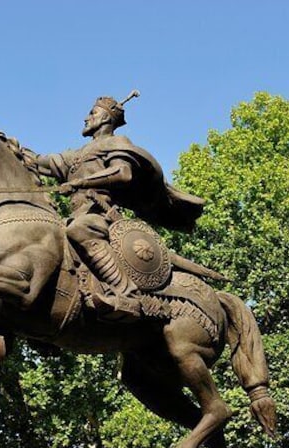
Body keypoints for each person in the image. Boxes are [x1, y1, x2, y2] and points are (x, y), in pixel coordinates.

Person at [36, 92, 205, 320]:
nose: (86, 118)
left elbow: (123, 173)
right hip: (75, 215)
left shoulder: (118, 142)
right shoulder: (76, 155)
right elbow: (42, 162)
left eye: (92, 113)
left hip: (100, 216)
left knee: (80, 229)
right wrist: (9, 146)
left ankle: (127, 295)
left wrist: (82, 182)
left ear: (105, 118)